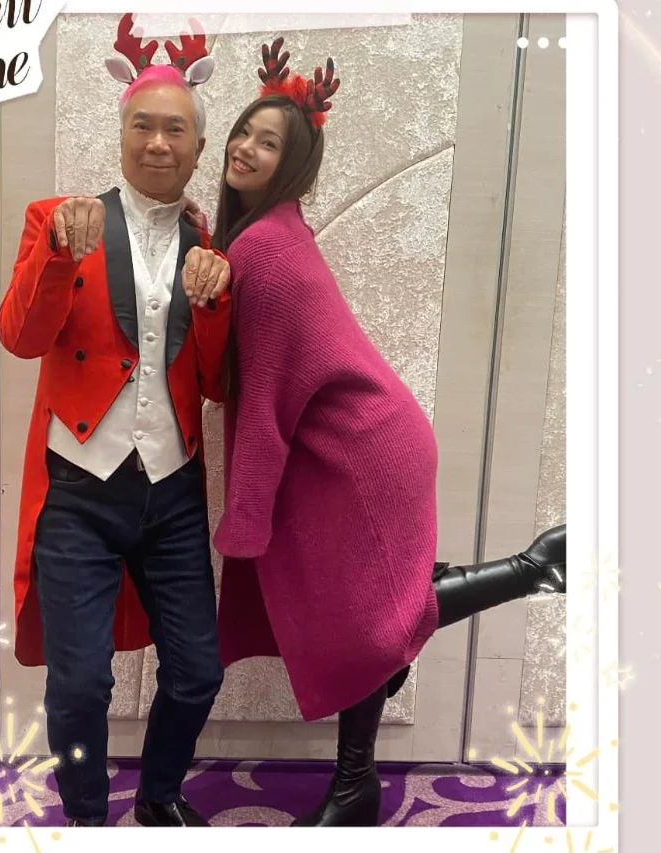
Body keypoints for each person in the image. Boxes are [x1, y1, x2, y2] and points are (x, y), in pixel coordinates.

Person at [204, 38, 568, 828]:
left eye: (269, 143)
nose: (245, 147)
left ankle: (530, 568)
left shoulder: (264, 249)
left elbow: (263, 401)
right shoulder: (263, 235)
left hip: (360, 453)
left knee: (364, 625)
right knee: (364, 614)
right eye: (243, 131)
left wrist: (245, 520)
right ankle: (356, 784)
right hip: (358, 444)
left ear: (294, 167)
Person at [0, 16, 231, 828]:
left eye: (176, 129)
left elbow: (218, 383)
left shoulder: (210, 241)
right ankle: (88, 820)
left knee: (198, 670)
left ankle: (159, 795)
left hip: (171, 492)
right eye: (143, 126)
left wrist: (214, 300)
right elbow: (20, 337)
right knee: (79, 684)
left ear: (198, 148)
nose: (158, 143)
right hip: (79, 489)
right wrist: (58, 257)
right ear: (122, 131)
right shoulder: (59, 220)